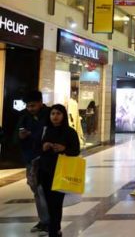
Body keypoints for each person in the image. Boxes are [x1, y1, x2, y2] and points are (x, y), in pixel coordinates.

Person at [38, 104, 80, 237]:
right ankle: (53, 228)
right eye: (52, 114)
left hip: (61, 172)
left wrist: (64, 149)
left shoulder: (70, 132)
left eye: (58, 114)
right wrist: (44, 147)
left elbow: (76, 151)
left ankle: (54, 230)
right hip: (45, 171)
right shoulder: (46, 130)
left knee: (56, 203)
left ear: (63, 116)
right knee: (49, 203)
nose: (55, 117)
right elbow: (37, 149)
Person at [18, 90, 51, 235]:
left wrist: (34, 136)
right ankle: (44, 220)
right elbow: (16, 137)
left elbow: (55, 134)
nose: (30, 108)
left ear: (40, 102)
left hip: (46, 159)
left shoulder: (51, 114)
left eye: (33, 105)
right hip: (31, 159)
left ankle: (49, 222)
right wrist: (21, 136)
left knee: (44, 191)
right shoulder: (25, 117)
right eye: (28, 106)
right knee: (37, 191)